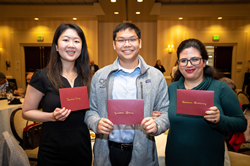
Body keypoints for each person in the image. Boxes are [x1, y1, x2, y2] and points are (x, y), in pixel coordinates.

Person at [84, 22, 170, 166]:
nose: (127, 44)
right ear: (114, 44)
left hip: (143, 151)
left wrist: (157, 124)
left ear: (140, 42)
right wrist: (96, 123)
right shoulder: (100, 76)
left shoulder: (156, 76)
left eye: (132, 39)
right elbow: (90, 110)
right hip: (107, 151)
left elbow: (165, 112)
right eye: (121, 40)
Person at [164, 38, 247, 166]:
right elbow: (167, 118)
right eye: (184, 60)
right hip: (176, 158)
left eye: (195, 59)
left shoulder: (220, 88)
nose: (189, 65)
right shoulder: (172, 88)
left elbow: (241, 123)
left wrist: (220, 119)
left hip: (208, 159)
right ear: (178, 64)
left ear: (204, 61)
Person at [22, 23, 92, 166]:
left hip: (82, 147)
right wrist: (52, 116)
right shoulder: (42, 76)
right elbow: (26, 112)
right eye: (65, 40)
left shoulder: (88, 78)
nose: (71, 45)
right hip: (52, 148)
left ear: (82, 47)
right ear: (56, 46)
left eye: (77, 41)